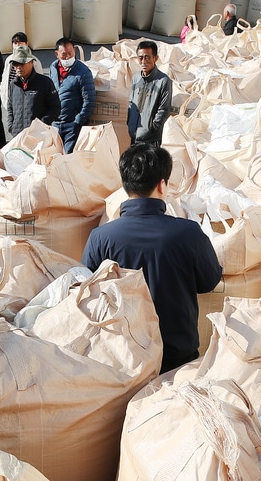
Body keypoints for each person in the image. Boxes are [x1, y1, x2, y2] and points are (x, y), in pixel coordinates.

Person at [82, 144, 221, 372]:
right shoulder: (189, 232)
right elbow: (209, 281)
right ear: (162, 185)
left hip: (121, 359)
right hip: (177, 359)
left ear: (126, 186)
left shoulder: (100, 237)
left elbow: (87, 293)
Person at [49, 37, 95, 153]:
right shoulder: (53, 68)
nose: (68, 57)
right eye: (64, 54)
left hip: (72, 125)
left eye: (70, 53)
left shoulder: (83, 72)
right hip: (55, 123)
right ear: (57, 54)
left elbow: (89, 99)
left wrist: (79, 120)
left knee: (68, 158)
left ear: (74, 51)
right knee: (54, 156)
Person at [5, 46, 60, 138]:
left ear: (31, 62)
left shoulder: (45, 82)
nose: (18, 67)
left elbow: (55, 108)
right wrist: (11, 126)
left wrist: (41, 125)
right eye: (15, 64)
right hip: (18, 136)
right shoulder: (13, 84)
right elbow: (10, 107)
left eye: (21, 63)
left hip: (39, 136)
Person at [128, 40, 173, 147]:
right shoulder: (136, 78)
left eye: (147, 57)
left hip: (151, 140)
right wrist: (130, 123)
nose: (143, 61)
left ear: (155, 58)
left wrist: (153, 127)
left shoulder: (163, 81)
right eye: (140, 58)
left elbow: (164, 109)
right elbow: (131, 102)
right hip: (134, 135)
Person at [0, 31, 42, 114]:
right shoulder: (9, 60)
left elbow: (40, 82)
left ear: (27, 44)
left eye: (20, 43)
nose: (18, 45)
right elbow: (5, 79)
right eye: (15, 43)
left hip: (28, 99)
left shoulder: (34, 62)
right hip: (13, 96)